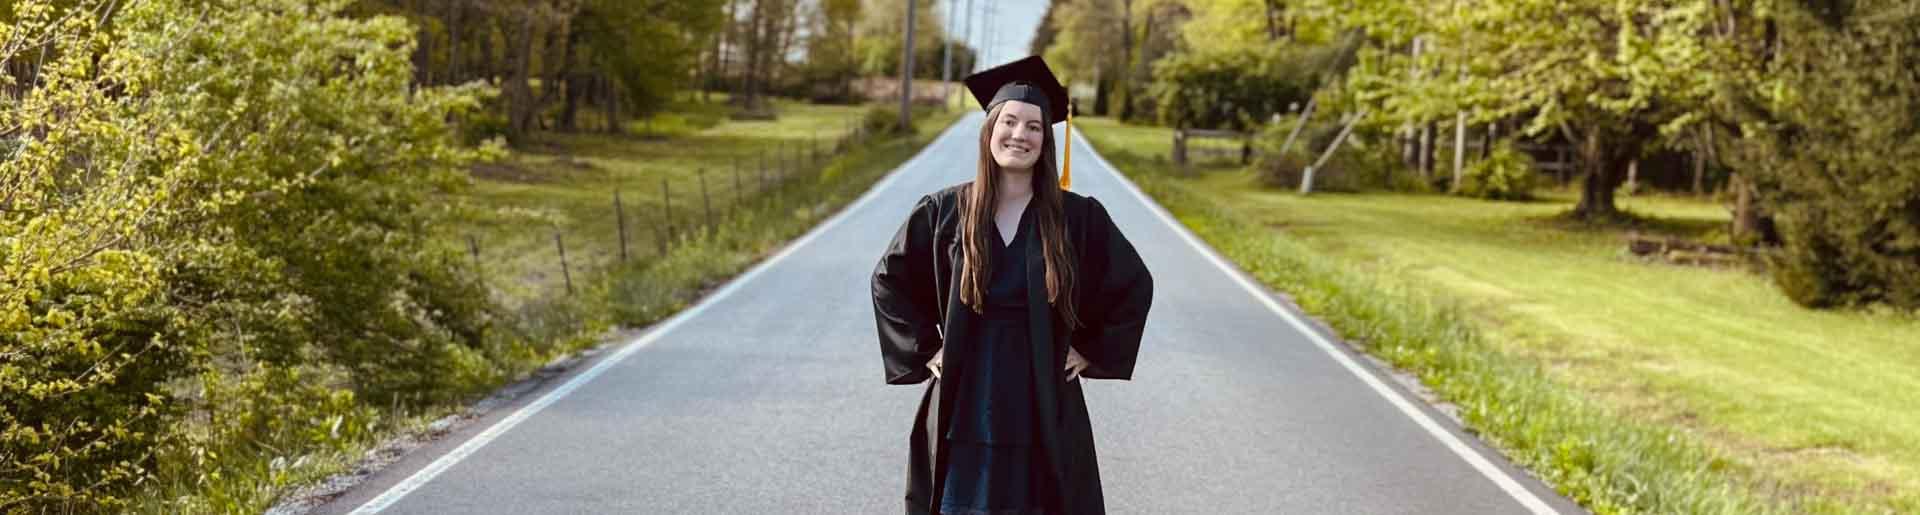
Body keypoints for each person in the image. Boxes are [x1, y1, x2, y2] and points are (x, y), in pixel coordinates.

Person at [871, 56, 1154, 515]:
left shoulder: (1077, 218)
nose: (1019, 135)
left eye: (1034, 127)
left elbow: (1133, 284)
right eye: (1009, 122)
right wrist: (926, 348)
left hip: (1040, 389)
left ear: (1046, 142)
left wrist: (1092, 350)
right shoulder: (945, 211)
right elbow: (890, 279)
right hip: (967, 388)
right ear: (989, 131)